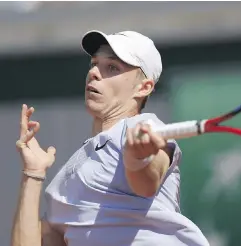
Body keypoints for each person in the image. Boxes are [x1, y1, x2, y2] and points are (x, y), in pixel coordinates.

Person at [11, 30, 210, 246]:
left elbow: (147, 182)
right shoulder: (62, 185)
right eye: (94, 63)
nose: (94, 72)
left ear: (143, 88)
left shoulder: (141, 127)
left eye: (112, 67)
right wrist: (33, 173)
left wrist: (139, 159)